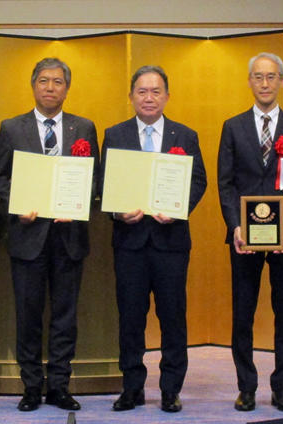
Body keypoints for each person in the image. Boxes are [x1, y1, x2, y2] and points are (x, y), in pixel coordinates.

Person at [0, 57, 100, 412]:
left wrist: (78, 201)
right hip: (28, 236)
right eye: (43, 81)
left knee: (65, 316)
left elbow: (93, 178)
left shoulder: (84, 128)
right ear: (33, 85)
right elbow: (0, 179)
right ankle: (31, 387)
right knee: (29, 314)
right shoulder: (11, 128)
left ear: (67, 88)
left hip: (69, 238)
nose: (50, 87)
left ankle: (59, 386)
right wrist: (16, 204)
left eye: (57, 82)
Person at [101, 65, 207, 414]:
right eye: (142, 91)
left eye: (156, 91)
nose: (149, 97)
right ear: (130, 96)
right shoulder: (114, 134)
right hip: (129, 242)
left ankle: (170, 389)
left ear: (167, 96)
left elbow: (198, 181)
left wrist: (177, 209)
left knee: (173, 317)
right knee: (130, 318)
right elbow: (104, 184)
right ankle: (131, 388)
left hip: (170, 242)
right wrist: (117, 211)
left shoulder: (185, 135)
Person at [217, 52, 283, 413]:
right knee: (242, 313)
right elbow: (225, 184)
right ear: (249, 81)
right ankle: (246, 387)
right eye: (258, 76)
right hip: (244, 238)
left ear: (281, 81)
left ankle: (282, 387)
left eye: (271, 77)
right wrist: (236, 225)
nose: (264, 83)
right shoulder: (233, 126)